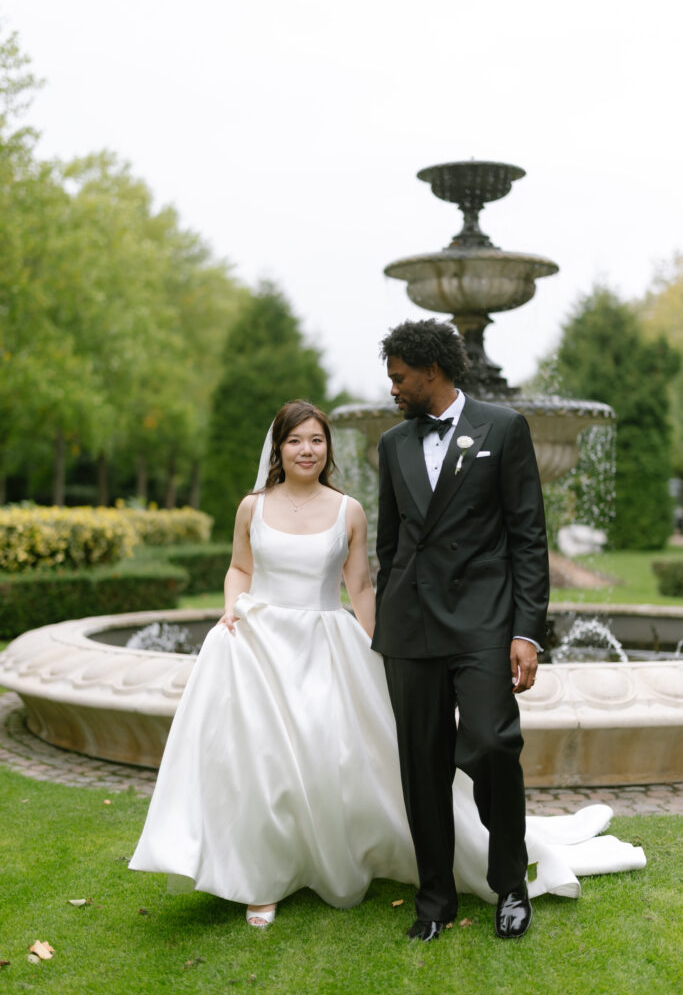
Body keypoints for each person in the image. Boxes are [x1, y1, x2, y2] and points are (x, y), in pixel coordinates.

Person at [129, 398, 645, 929]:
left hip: (322, 641)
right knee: (263, 763)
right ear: (278, 449)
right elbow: (239, 567)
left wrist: (385, 649)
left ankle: (368, 858)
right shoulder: (250, 507)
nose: (307, 450)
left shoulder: (347, 509)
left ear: (328, 448)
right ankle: (262, 877)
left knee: (327, 761)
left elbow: (361, 586)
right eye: (295, 441)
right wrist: (231, 609)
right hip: (258, 645)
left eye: (316, 440)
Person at [373, 318, 550, 941]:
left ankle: (510, 883)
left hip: (482, 622)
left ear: (431, 371)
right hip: (410, 629)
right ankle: (434, 899)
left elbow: (528, 537)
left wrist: (526, 632)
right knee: (420, 765)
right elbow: (390, 544)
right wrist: (382, 622)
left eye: (399, 377)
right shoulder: (392, 443)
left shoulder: (503, 429)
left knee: (495, 743)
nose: (392, 387)